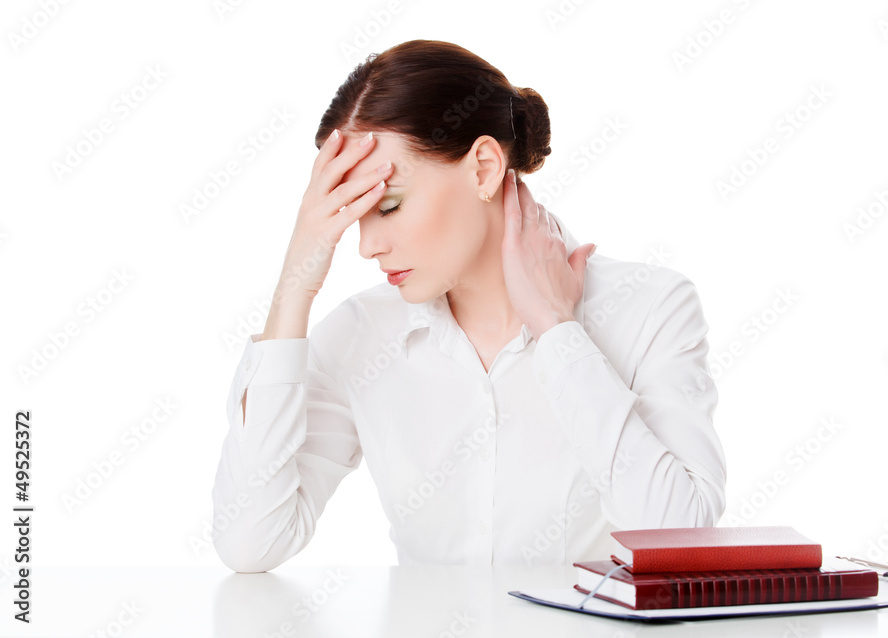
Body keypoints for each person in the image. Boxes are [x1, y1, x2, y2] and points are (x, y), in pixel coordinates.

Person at [210, 39, 726, 573]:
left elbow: (680, 544)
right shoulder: (361, 334)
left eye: (388, 205)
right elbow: (250, 545)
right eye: (350, 213)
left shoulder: (650, 308)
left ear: (482, 167)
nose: (367, 245)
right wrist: (297, 282)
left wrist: (556, 329)